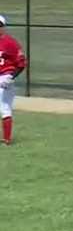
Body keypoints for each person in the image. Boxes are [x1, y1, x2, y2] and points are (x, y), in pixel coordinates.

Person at [0, 14, 26, 145]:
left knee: (5, 107)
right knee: (4, 107)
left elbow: (21, 63)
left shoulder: (10, 42)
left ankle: (7, 139)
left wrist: (11, 76)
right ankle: (6, 138)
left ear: (3, 27)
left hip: (5, 77)